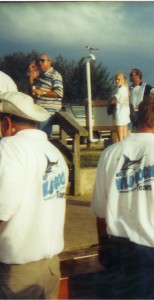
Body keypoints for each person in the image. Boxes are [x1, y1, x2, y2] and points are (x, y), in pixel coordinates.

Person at [91, 94, 154, 299]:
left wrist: (105, 246)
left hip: (117, 250)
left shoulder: (110, 153)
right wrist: (153, 217)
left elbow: (100, 210)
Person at [0, 91, 69, 299]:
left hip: (16, 274)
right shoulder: (55, 153)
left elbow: (3, 208)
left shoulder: (8, 148)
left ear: (7, 122)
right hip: (49, 268)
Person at [29, 54, 64, 137]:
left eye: (42, 61)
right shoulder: (40, 76)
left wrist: (43, 93)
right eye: (38, 61)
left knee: (42, 136)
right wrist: (31, 73)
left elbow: (59, 93)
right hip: (38, 111)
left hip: (48, 112)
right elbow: (32, 91)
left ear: (50, 62)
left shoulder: (55, 75)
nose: (40, 63)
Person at [128, 68, 154, 132]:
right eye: (131, 75)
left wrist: (147, 105)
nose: (131, 76)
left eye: (133, 74)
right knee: (130, 134)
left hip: (142, 113)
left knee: (141, 132)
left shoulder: (145, 86)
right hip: (130, 113)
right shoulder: (129, 88)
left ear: (139, 75)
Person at [110, 72, 130, 141]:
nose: (116, 81)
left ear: (123, 80)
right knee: (125, 137)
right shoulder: (125, 89)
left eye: (118, 79)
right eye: (116, 79)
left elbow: (113, 100)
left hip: (120, 114)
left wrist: (112, 99)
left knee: (120, 138)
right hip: (125, 114)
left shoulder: (120, 90)